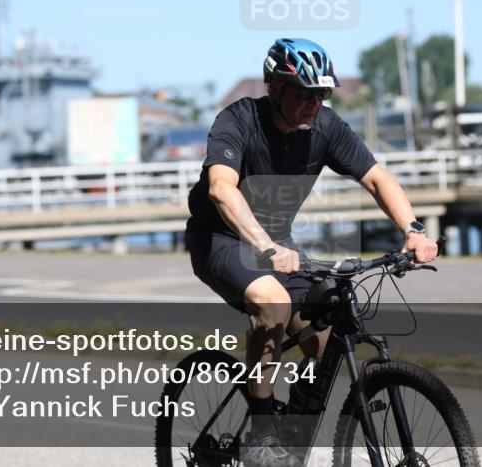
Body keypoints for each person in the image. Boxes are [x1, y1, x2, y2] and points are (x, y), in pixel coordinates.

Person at [186, 38, 439, 467]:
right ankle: (263, 429)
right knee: (273, 302)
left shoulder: (326, 128)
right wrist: (265, 247)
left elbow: (377, 178)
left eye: (321, 93)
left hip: (280, 249)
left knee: (328, 335)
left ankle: (291, 434)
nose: (314, 103)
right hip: (222, 240)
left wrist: (413, 230)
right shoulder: (240, 120)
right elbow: (220, 189)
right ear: (275, 87)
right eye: (304, 93)